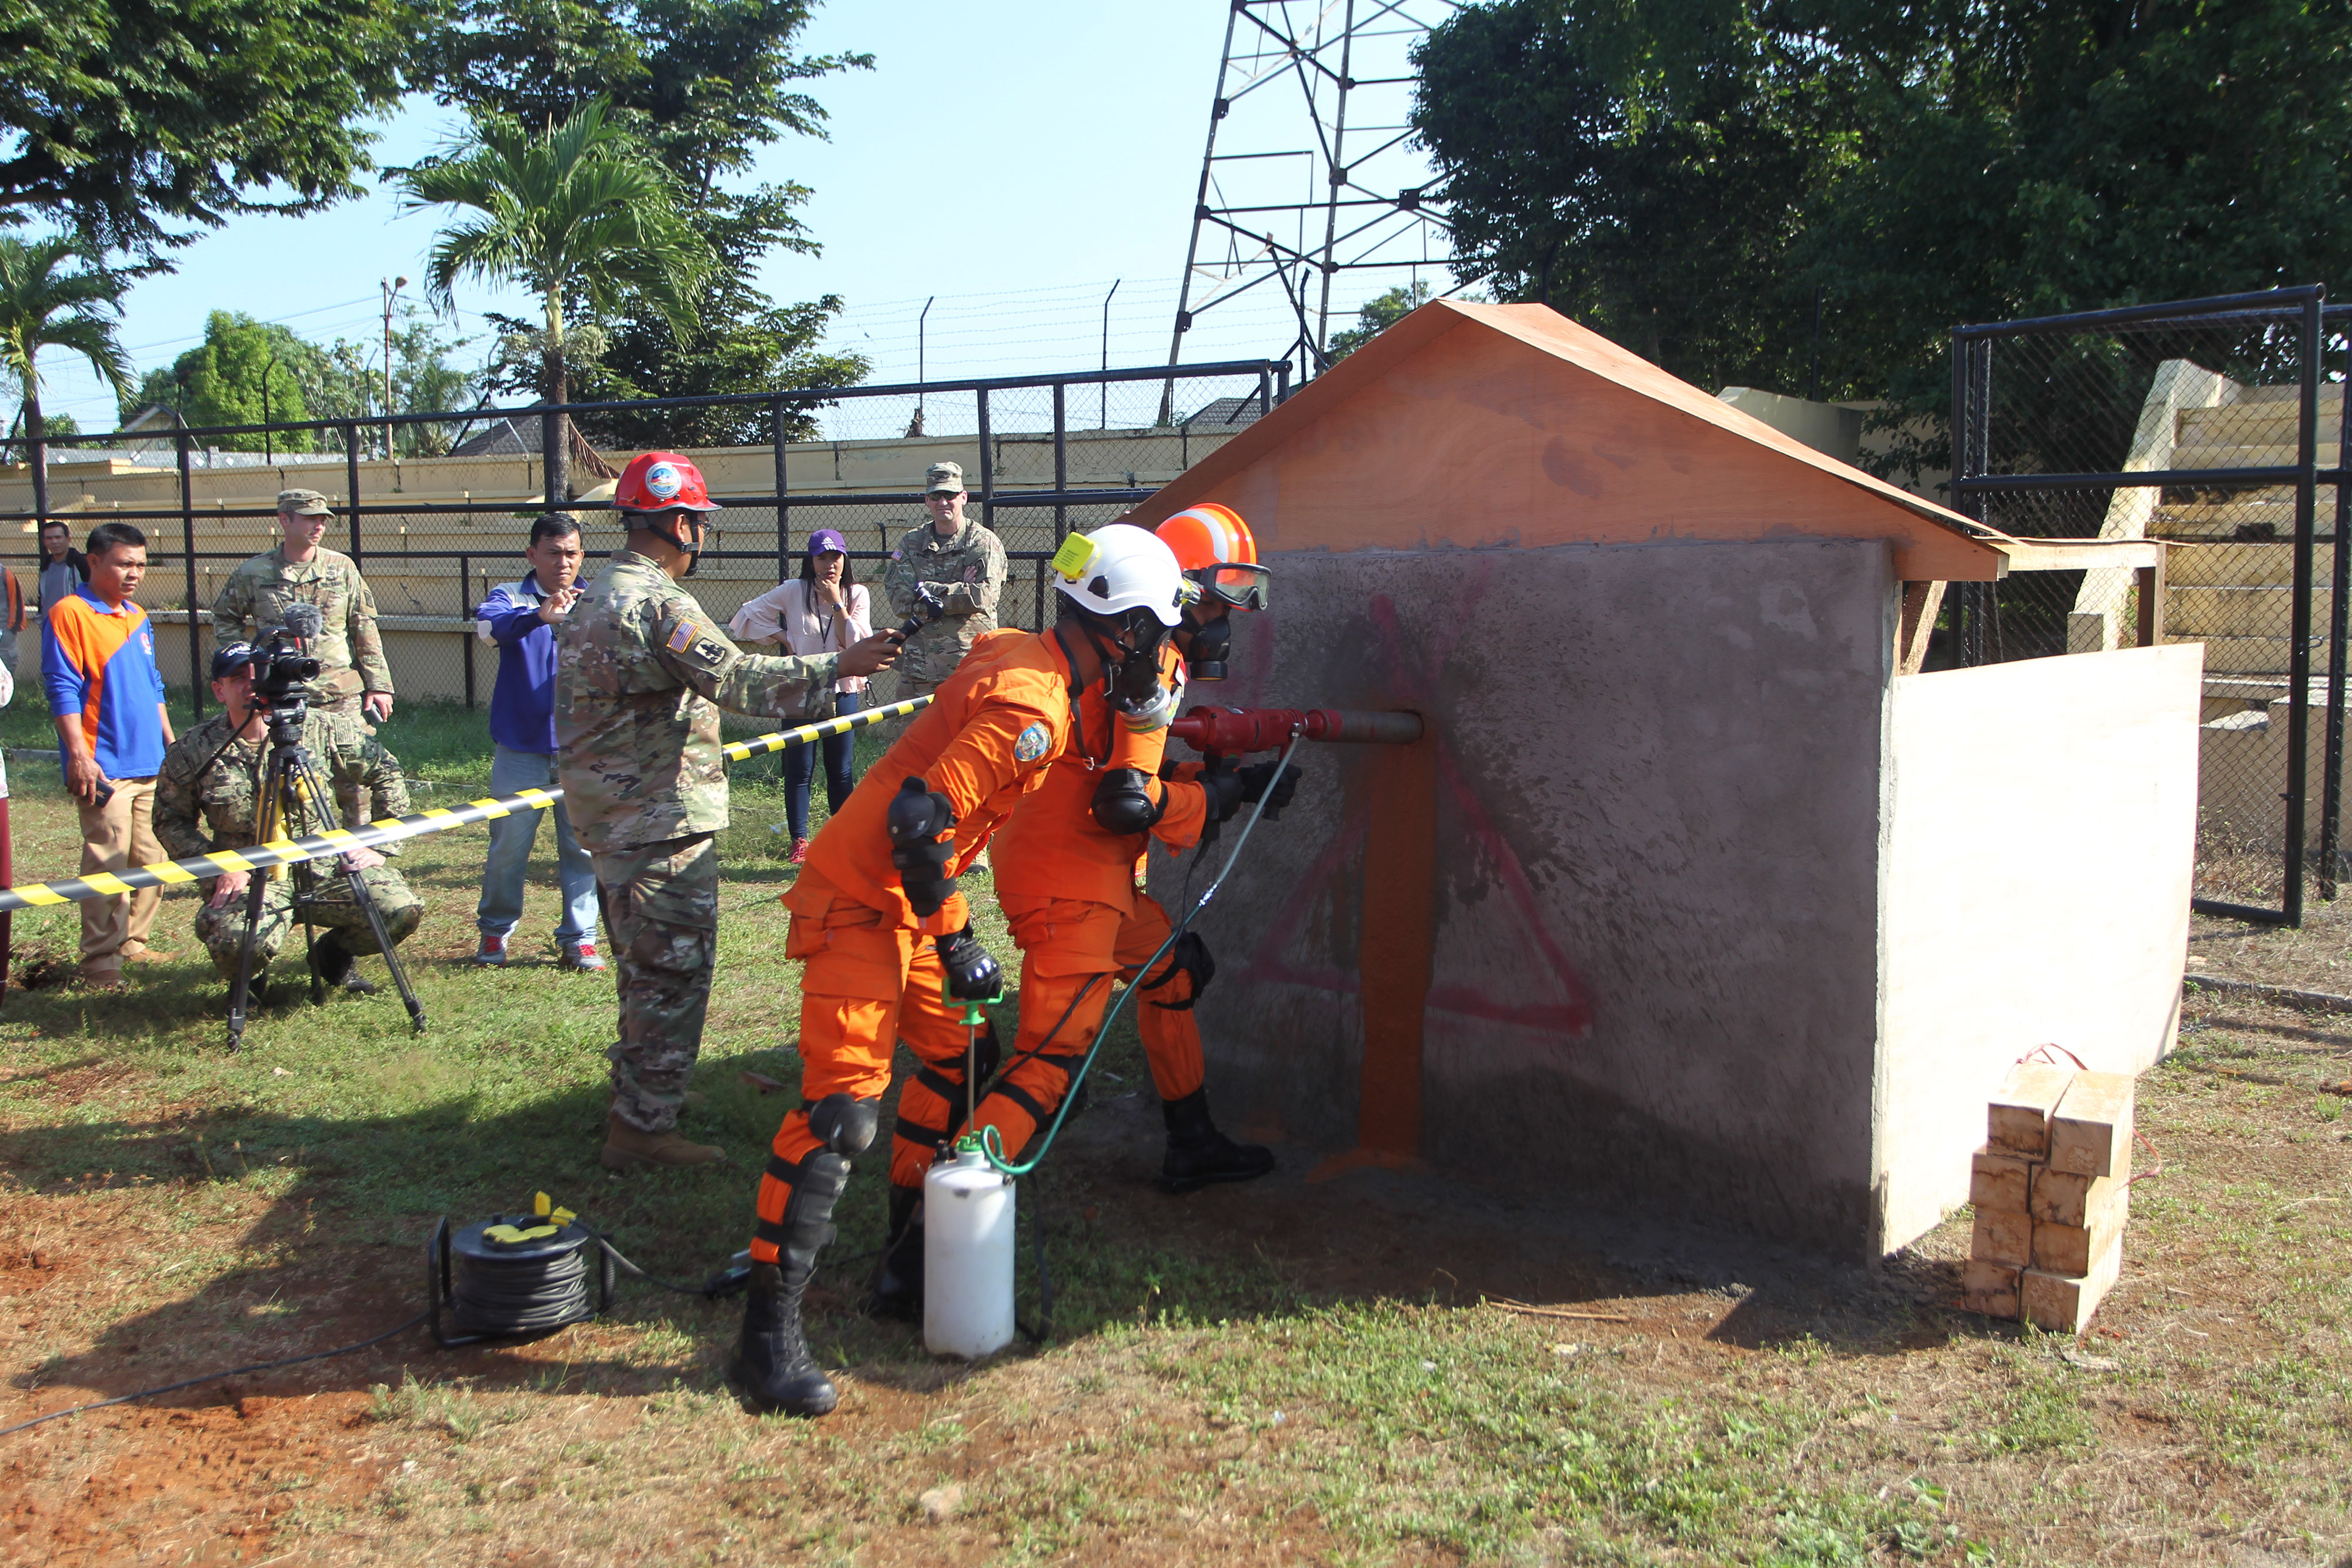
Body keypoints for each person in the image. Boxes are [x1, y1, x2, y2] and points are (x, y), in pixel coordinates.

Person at [732, 522, 1190, 1419]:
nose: (1165, 650)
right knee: (840, 1115)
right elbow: (917, 819)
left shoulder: (1031, 659)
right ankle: (765, 1339)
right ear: (1125, 628)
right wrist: (954, 937)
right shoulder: (1036, 705)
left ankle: (907, 1265)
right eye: (1159, 630)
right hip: (864, 896)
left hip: (907, 893)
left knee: (954, 1067)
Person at [868, 504, 1295, 1320]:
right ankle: (919, 1247)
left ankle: (1192, 1141)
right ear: (1158, 599)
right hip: (1074, 884)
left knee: (1172, 971)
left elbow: (1110, 771)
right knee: (1044, 1065)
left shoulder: (1100, 649)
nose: (1211, 624)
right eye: (1207, 602)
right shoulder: (1153, 664)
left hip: (1069, 869)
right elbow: (1126, 801)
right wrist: (1225, 794)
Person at [557, 452, 898, 1174]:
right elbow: (736, 677)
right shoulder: (659, 603)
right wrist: (841, 665)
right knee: (671, 974)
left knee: (642, 969)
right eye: (698, 523)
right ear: (681, 524)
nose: (701, 536)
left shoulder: (596, 594)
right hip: (658, 821)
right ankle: (642, 1132)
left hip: (613, 818)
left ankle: (650, 1097)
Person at [154, 644, 423, 994]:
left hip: (325, 867)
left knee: (399, 908)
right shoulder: (194, 749)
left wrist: (380, 844)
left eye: (261, 676)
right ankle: (248, 980)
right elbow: (169, 820)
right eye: (239, 679)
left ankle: (332, 956)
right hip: (249, 875)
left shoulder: (319, 729)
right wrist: (216, 866)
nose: (254, 685)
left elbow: (385, 771)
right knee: (236, 940)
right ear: (219, 690)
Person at [42, 522, 175, 989]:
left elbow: (154, 683)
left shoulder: (138, 616)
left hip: (149, 762)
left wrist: (170, 745)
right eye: (124, 563)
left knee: (152, 857)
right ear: (94, 561)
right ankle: (100, 961)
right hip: (105, 764)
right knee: (108, 860)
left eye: (140, 564)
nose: (134, 573)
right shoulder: (69, 613)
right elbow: (62, 687)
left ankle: (133, 942)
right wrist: (79, 754)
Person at [472, 513, 603, 970]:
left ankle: (580, 938)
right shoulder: (510, 596)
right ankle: (495, 933)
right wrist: (536, 617)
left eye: (571, 553)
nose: (562, 562)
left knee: (583, 848)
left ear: (581, 555)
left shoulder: (597, 599)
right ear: (531, 555)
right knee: (508, 847)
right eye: (552, 552)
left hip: (580, 749)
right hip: (520, 750)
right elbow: (488, 631)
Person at [729, 528, 873, 862]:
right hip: (800, 689)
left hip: (842, 688)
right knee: (799, 767)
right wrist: (786, 637)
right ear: (811, 560)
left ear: (845, 559)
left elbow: (855, 644)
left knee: (841, 769)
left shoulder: (857, 594)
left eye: (835, 556)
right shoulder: (794, 591)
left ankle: (842, 836)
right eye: (822, 557)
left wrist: (837, 603)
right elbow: (746, 617)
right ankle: (800, 841)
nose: (830, 564)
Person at [211, 490, 394, 728]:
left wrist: (378, 685)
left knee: (357, 760)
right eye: (310, 519)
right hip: (279, 692)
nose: (319, 526)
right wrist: (250, 665)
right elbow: (225, 618)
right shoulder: (253, 573)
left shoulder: (342, 568)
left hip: (338, 694)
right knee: (280, 761)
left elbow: (364, 627)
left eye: (322, 520)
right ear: (285, 520)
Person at [877, 462, 1006, 748]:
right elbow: (898, 598)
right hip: (918, 670)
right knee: (907, 752)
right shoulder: (911, 543)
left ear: (964, 497)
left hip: (969, 666)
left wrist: (926, 590)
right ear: (927, 500)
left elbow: (982, 596)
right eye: (935, 496)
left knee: (968, 751)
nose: (943, 502)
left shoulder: (983, 542)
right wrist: (957, 586)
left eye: (949, 495)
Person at [35, 519, 88, 621]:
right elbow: (42, 595)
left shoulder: (81, 563)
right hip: (50, 623)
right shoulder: (46, 566)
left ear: (68, 539)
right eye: (49, 538)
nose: (54, 542)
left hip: (75, 622)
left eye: (58, 537)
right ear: (44, 542)